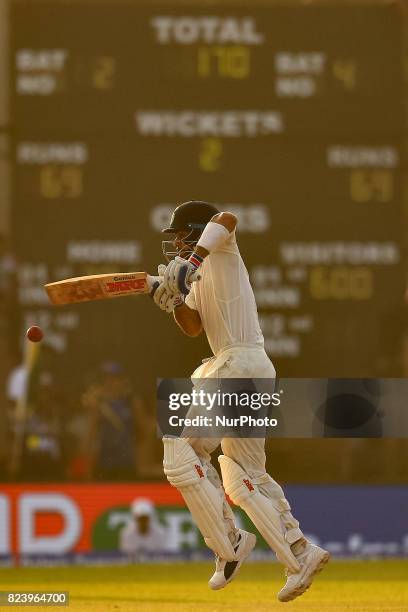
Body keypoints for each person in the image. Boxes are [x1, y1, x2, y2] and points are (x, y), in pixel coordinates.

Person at [152, 201, 329, 602]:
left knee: (182, 451)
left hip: (237, 363)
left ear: (197, 232)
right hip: (248, 368)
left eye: (181, 235)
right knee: (242, 474)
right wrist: (174, 298)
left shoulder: (222, 245)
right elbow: (193, 327)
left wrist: (193, 260)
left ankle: (229, 544)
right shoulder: (192, 277)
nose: (176, 243)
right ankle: (300, 552)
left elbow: (227, 217)